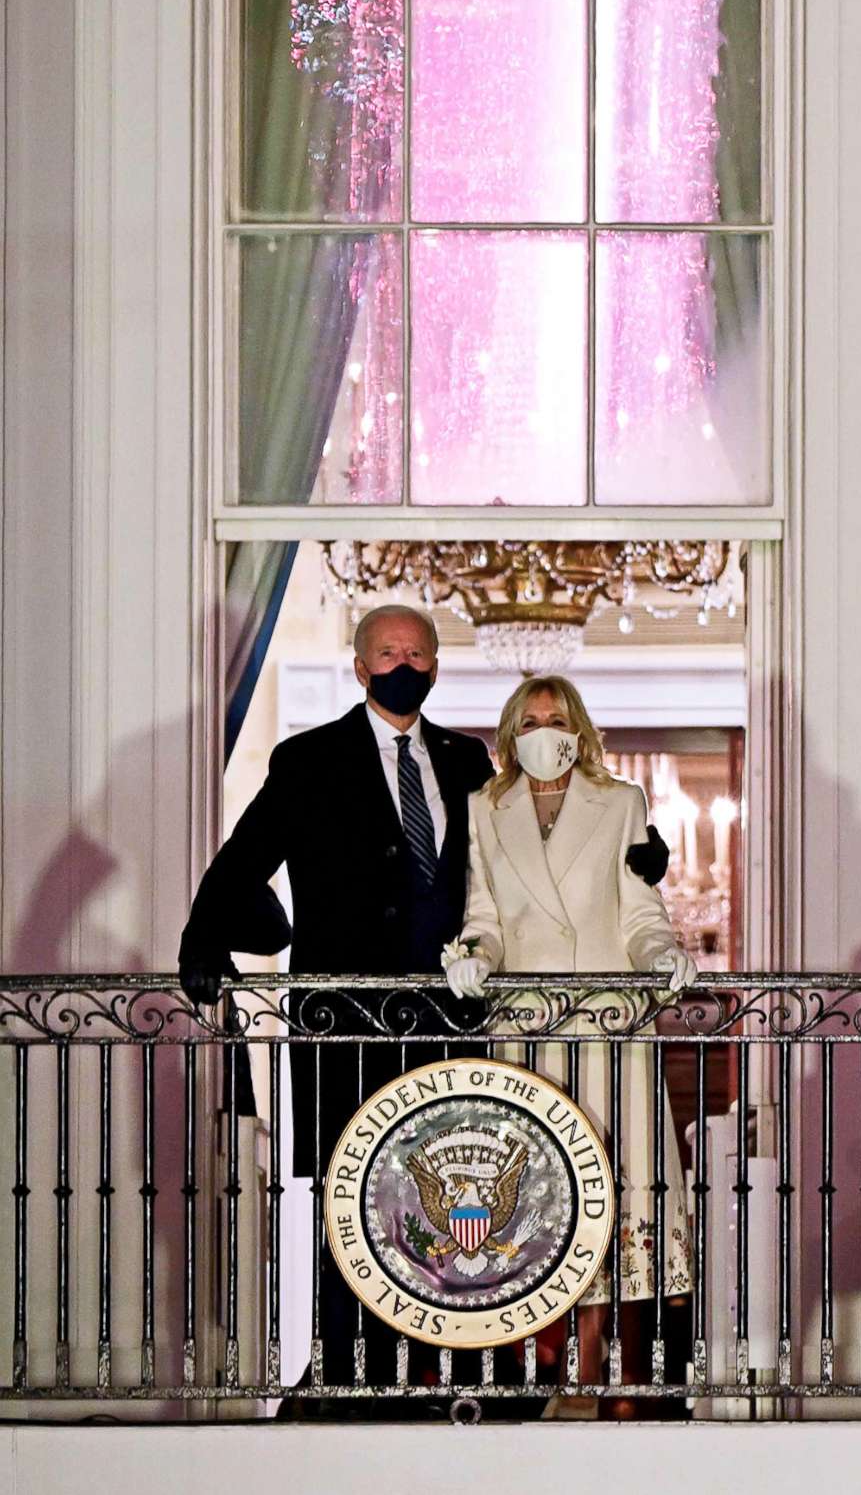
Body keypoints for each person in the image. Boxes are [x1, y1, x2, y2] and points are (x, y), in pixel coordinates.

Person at [176, 603, 494, 1410]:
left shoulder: (468, 760)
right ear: (360, 665)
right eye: (388, 650)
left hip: (449, 1026)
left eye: (418, 652)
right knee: (349, 1199)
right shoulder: (309, 759)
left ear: (435, 666)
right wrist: (204, 942)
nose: (404, 663)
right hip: (340, 1022)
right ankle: (344, 1373)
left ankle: (444, 1375)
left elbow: (522, 857)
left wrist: (639, 857)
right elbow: (245, 855)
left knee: (456, 1199)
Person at [446, 673, 698, 1418]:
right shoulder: (484, 810)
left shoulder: (621, 803)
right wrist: (470, 955)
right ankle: (532, 1370)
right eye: (530, 719)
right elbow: (484, 914)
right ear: (509, 731)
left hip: (608, 1028)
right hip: (526, 1030)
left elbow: (640, 914)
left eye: (556, 717)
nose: (544, 730)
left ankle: (587, 1376)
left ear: (579, 727)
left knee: (609, 1194)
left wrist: (662, 956)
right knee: (533, 1198)